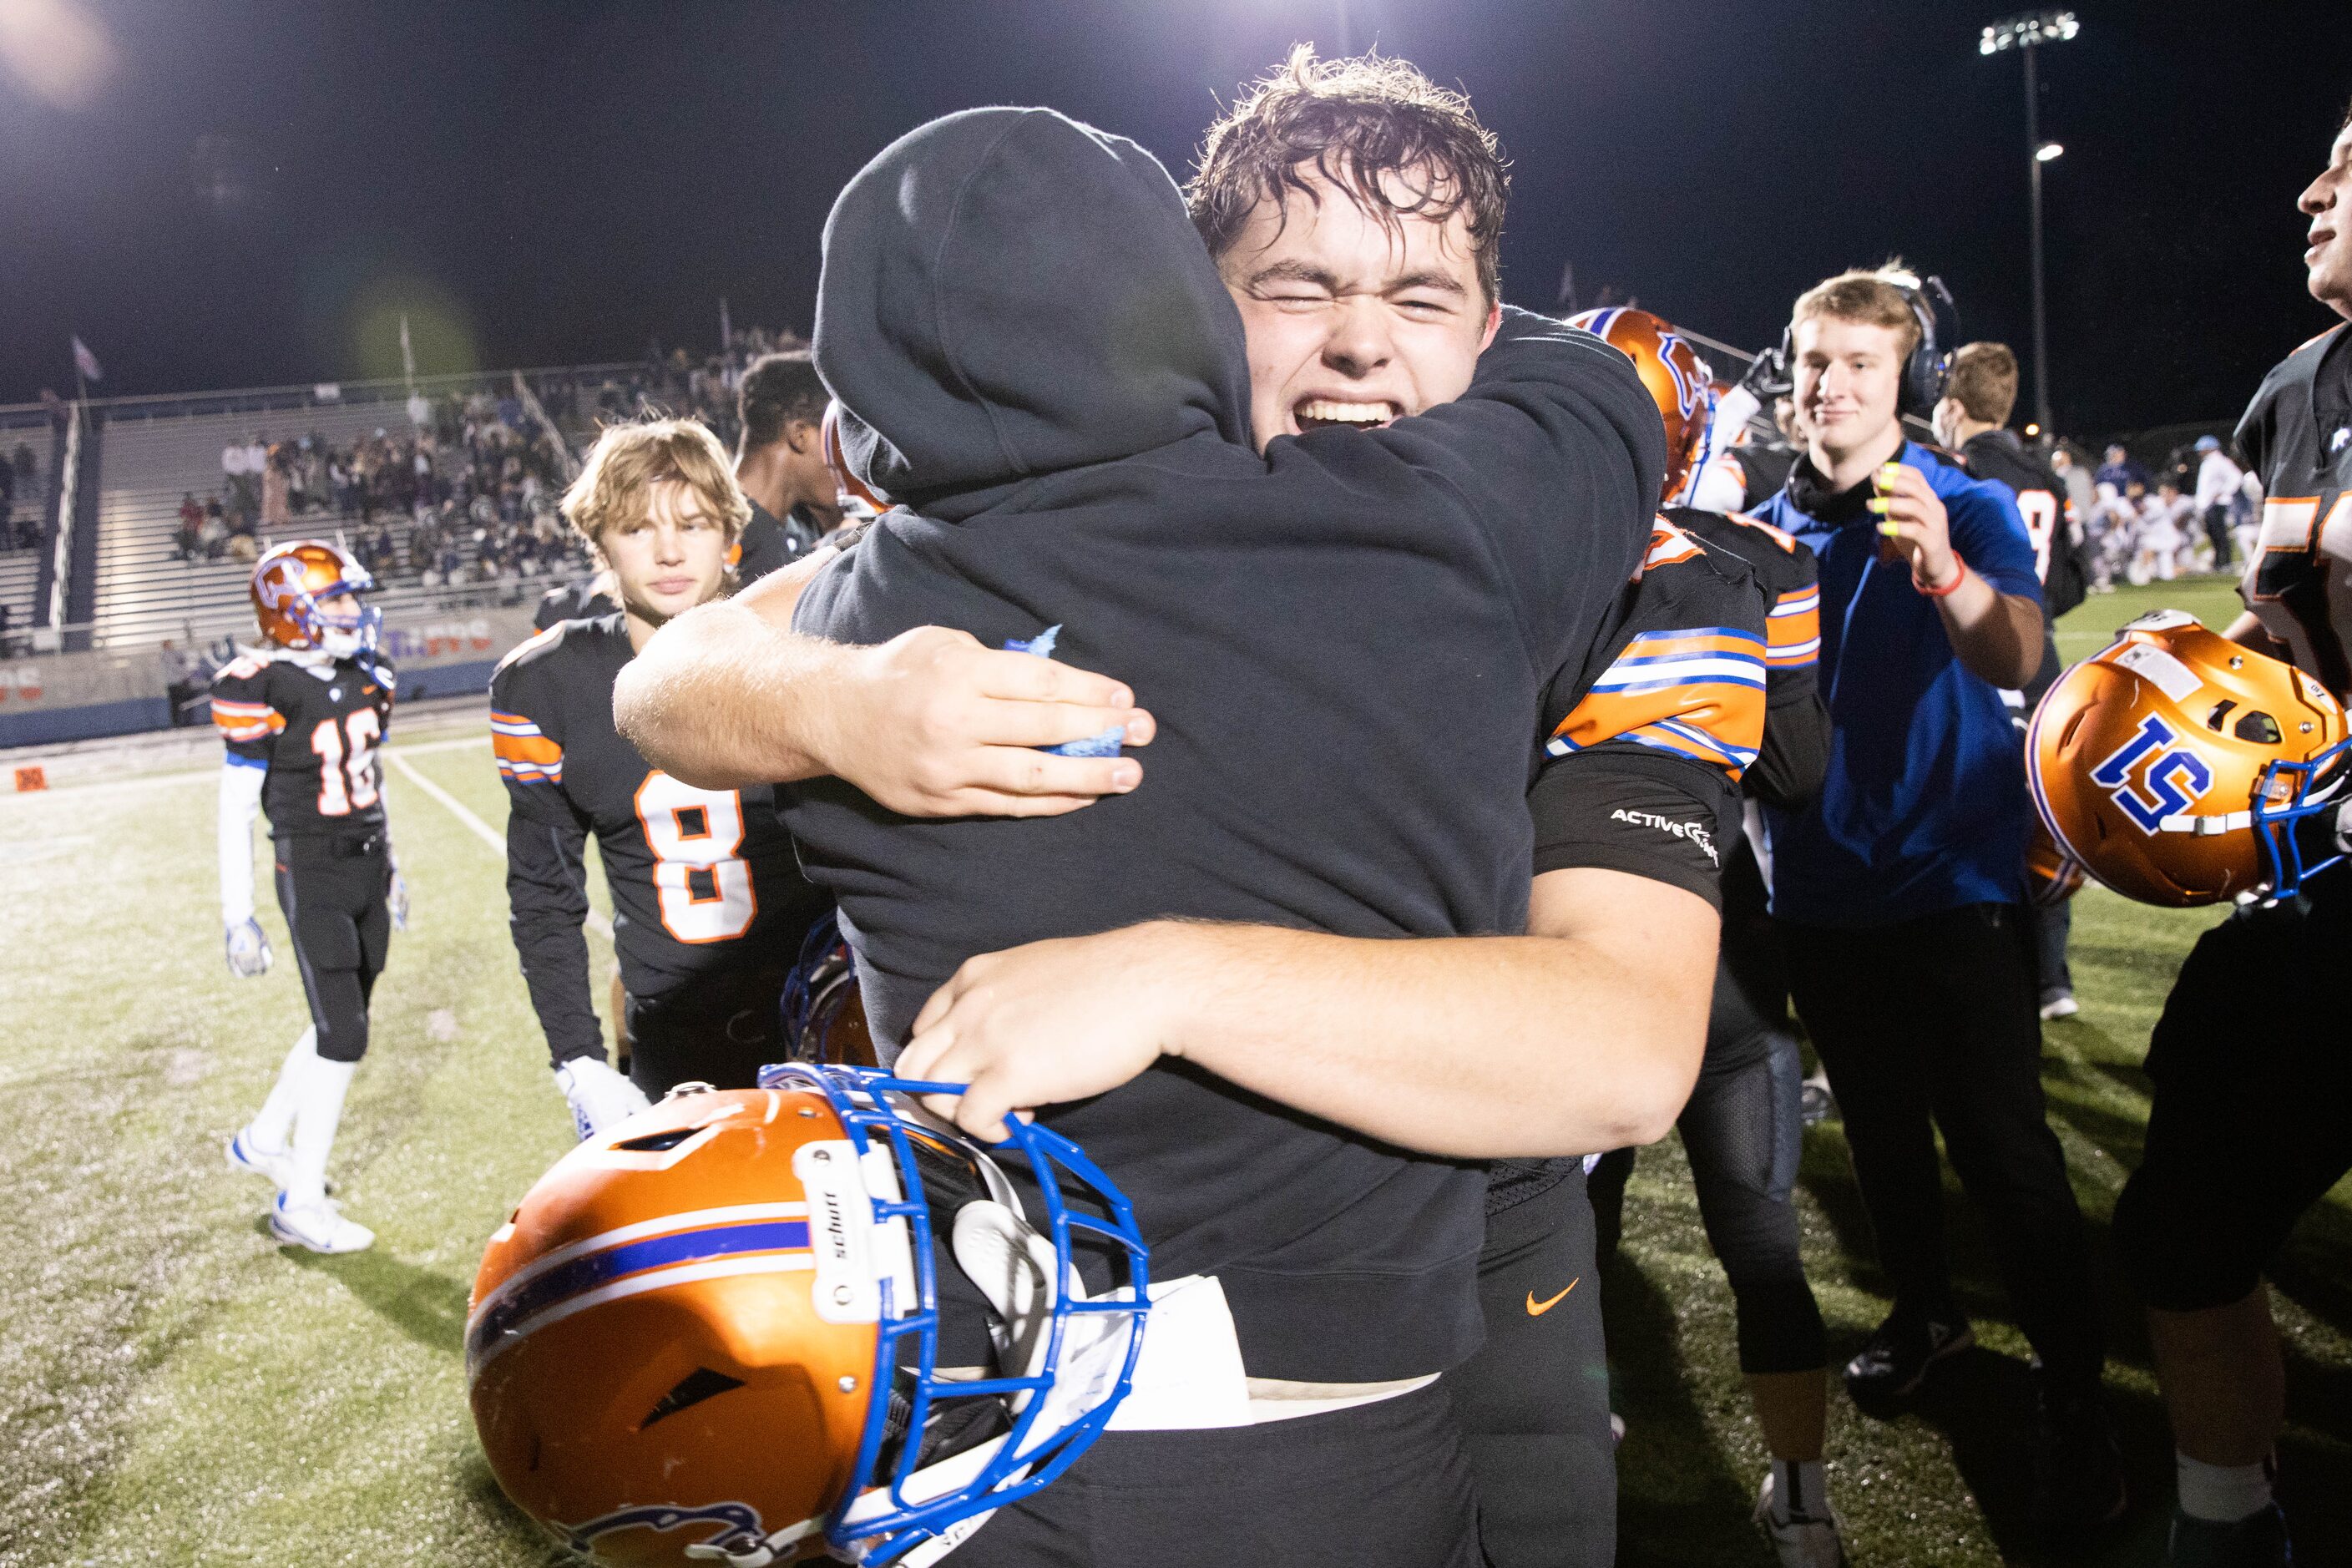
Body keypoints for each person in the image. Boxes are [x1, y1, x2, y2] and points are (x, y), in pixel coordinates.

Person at [618, 79, 1706, 1567]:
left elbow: (1623, 1048)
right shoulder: (1460, 521)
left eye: (1421, 295)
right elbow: (675, 673)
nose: (1359, 342)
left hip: (1480, 1282)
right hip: (1220, 1426)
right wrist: (832, 700)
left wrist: (1163, 969)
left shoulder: (1662, 582)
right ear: (1192, 309)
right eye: (1297, 285)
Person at [1750, 265, 2123, 1538]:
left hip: (1954, 880)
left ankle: (2077, 1390)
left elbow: (2022, 651)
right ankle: (1926, 1315)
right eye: (1811, 360)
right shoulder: (1764, 524)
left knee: (2007, 1150)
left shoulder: (1958, 499)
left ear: (1902, 378)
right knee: (1880, 1135)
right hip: (1819, 884)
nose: (1827, 385)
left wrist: (1948, 573)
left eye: (1856, 363)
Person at [2104, 102, 2352, 1568]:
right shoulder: (2301, 390)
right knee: (2183, 1228)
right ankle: (2226, 1521)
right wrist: (2201, 681)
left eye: (2350, 157)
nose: (2311, 184)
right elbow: (2299, 656)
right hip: (2333, 878)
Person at [1569, 309, 1843, 1568]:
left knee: (1557, 1249)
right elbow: (1794, 767)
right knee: (1762, 1243)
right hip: (1725, 948)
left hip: (1567, 956)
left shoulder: (1525, 560)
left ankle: (1557, 1482)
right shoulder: (1769, 563)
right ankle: (1802, 1504)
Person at [492, 419, 827, 1133]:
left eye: (693, 523)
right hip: (677, 1045)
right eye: (638, 528)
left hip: (825, 1012)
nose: (670, 551)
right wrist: (578, 1059)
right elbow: (545, 895)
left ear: (728, 533)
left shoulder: (800, 645)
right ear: (599, 541)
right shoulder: (550, 685)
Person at [215, 540, 407, 1255]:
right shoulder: (261, 684)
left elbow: (372, 777)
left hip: (365, 865)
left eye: (349, 598)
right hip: (313, 869)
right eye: (333, 600)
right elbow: (235, 807)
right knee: (344, 1035)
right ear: (291, 612)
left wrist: (395, 864)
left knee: (343, 1016)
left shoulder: (367, 675)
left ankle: (265, 1137)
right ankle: (300, 1201)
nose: (351, 612)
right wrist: (238, 916)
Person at [1933, 340, 2086, 1019]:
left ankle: (1994, 980)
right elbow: (2072, 581)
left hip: (1982, 661)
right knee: (2043, 821)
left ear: (1952, 405)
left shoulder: (1957, 472)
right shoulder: (2044, 475)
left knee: (1983, 825)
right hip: (2042, 658)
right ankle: (2052, 978)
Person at [731, 351, 842, 575]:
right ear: (799, 436)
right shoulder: (732, 542)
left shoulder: (768, 530)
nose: (844, 458)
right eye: (836, 439)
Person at [2193, 432, 2247, 570]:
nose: (2199, 451)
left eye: (2202, 448)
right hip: (2209, 504)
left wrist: (2223, 492)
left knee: (2220, 534)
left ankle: (2225, 562)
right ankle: (2219, 562)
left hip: (2218, 504)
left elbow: (2237, 477)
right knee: (2213, 534)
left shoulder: (2220, 461)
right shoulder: (2208, 462)